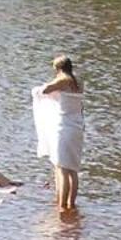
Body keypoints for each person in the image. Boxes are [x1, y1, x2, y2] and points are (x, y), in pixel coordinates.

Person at [31, 55, 84, 212]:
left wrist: (38, 89)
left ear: (58, 69)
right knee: (73, 170)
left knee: (61, 168)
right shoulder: (79, 82)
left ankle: (61, 206)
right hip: (77, 128)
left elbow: (45, 90)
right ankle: (71, 205)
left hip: (64, 127)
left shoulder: (63, 80)